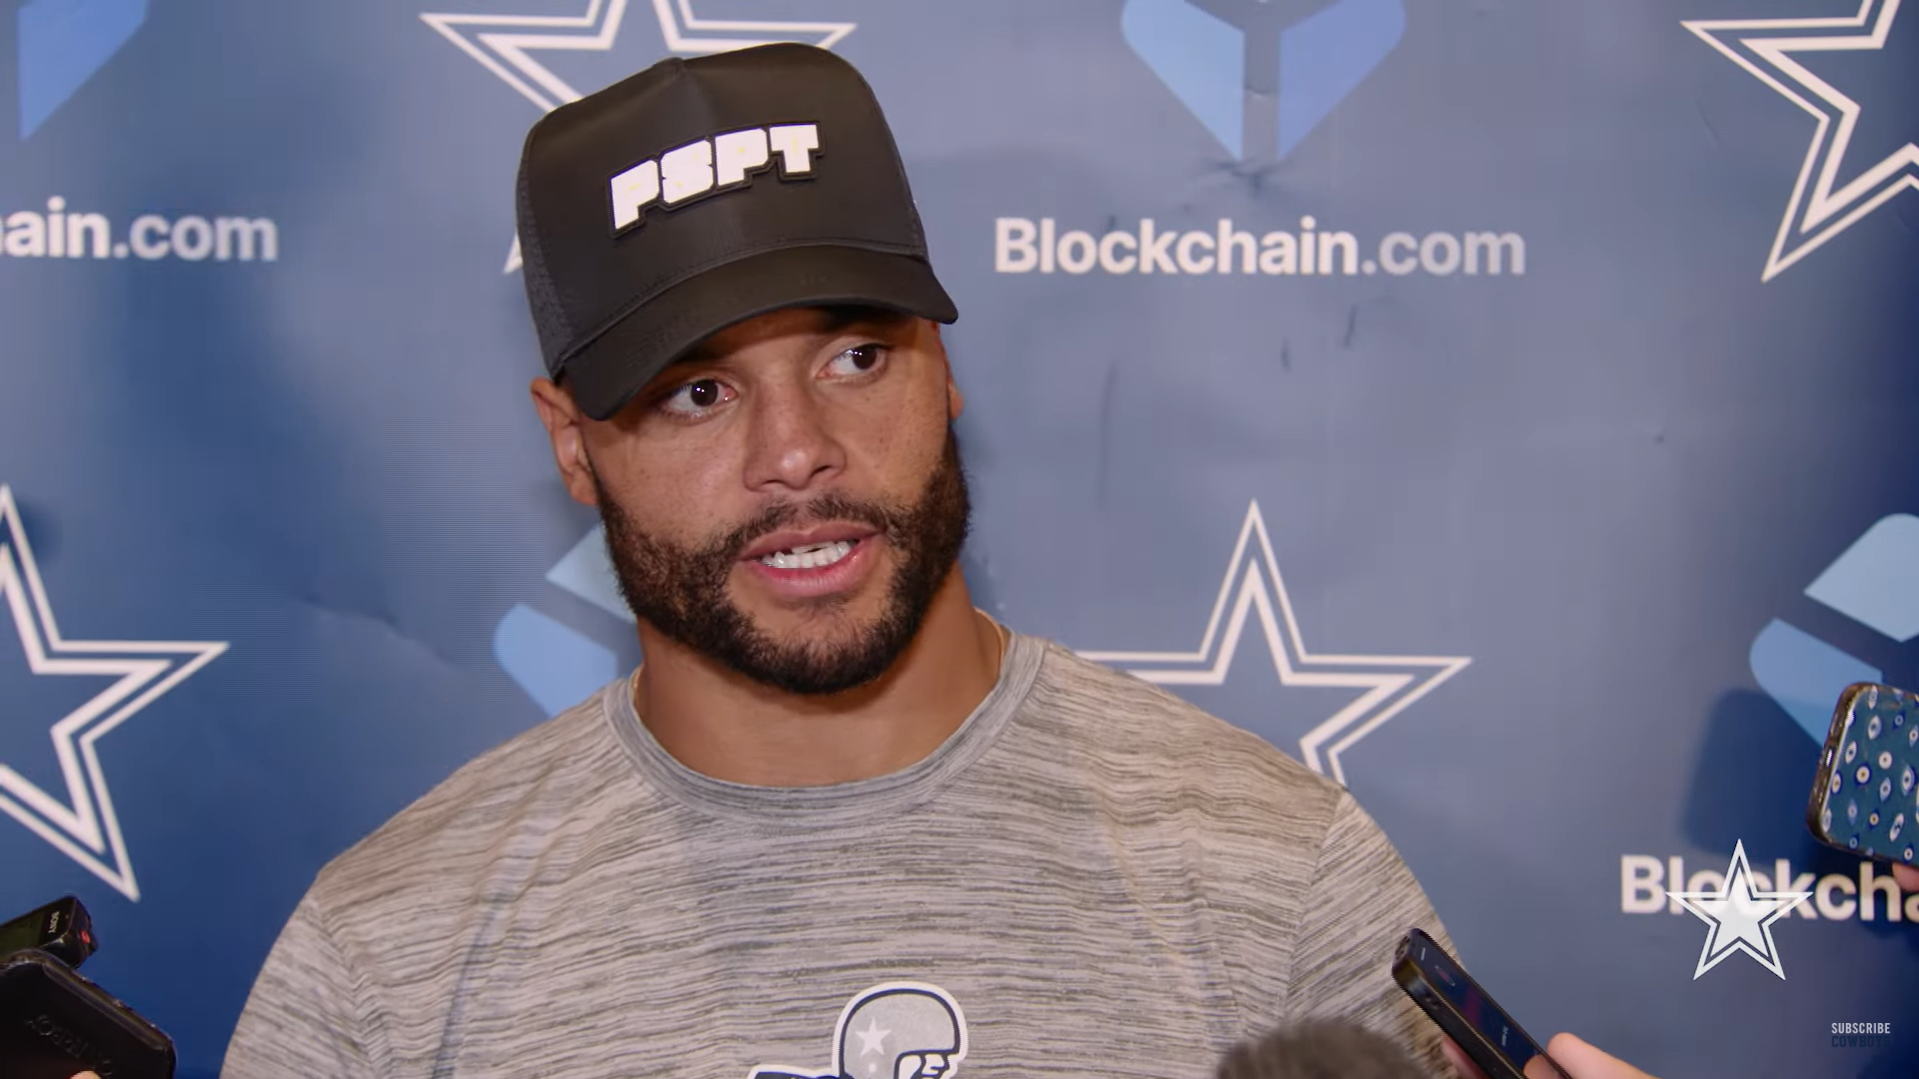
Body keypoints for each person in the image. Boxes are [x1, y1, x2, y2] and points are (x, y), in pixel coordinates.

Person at [219, 43, 1458, 1079]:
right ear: (572, 444)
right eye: (695, 391)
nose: (797, 452)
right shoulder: (386, 960)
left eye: (854, 356)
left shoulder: (1281, 876)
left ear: (939, 357)